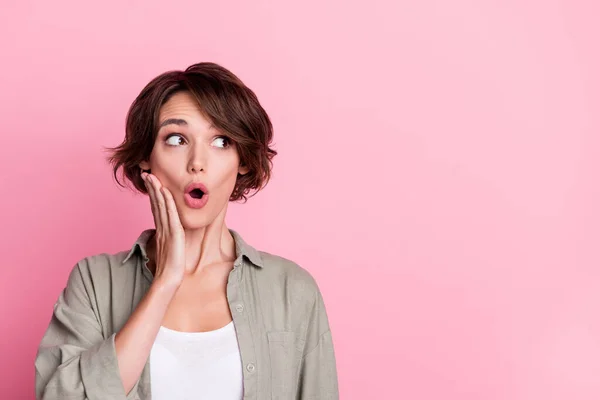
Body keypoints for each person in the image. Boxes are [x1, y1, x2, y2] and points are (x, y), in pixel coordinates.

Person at [34, 62, 338, 400]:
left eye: (221, 141)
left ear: (243, 161)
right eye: (177, 139)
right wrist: (165, 282)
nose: (197, 162)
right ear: (146, 156)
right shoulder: (94, 282)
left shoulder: (292, 290)